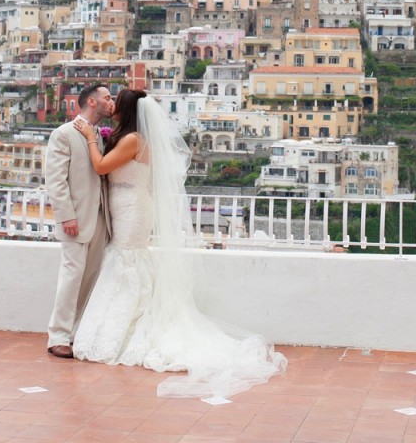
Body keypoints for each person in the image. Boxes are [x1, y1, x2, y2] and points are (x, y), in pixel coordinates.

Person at [71, 88, 287, 398]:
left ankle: (123, 326)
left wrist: (91, 137)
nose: (112, 105)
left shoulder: (134, 140)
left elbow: (102, 166)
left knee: (127, 258)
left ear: (128, 109)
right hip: (124, 204)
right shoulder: (129, 137)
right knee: (125, 259)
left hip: (132, 208)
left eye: (116, 102)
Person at [44, 82, 114, 358]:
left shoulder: (101, 134)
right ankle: (57, 336)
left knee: (91, 276)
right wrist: (66, 216)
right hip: (75, 218)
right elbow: (56, 180)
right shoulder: (63, 134)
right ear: (92, 102)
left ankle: (76, 333)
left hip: (100, 217)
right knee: (71, 277)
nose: (111, 102)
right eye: (107, 97)